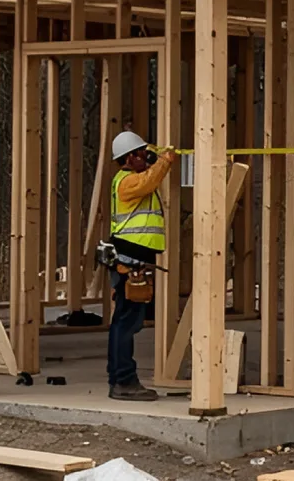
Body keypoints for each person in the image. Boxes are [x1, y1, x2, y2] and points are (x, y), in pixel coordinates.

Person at [105, 130, 176, 401]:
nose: (145, 159)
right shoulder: (126, 182)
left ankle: (119, 377)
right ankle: (124, 380)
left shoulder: (131, 179)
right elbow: (149, 181)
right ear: (130, 157)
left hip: (133, 259)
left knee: (124, 320)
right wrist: (163, 161)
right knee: (127, 322)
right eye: (141, 154)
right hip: (128, 260)